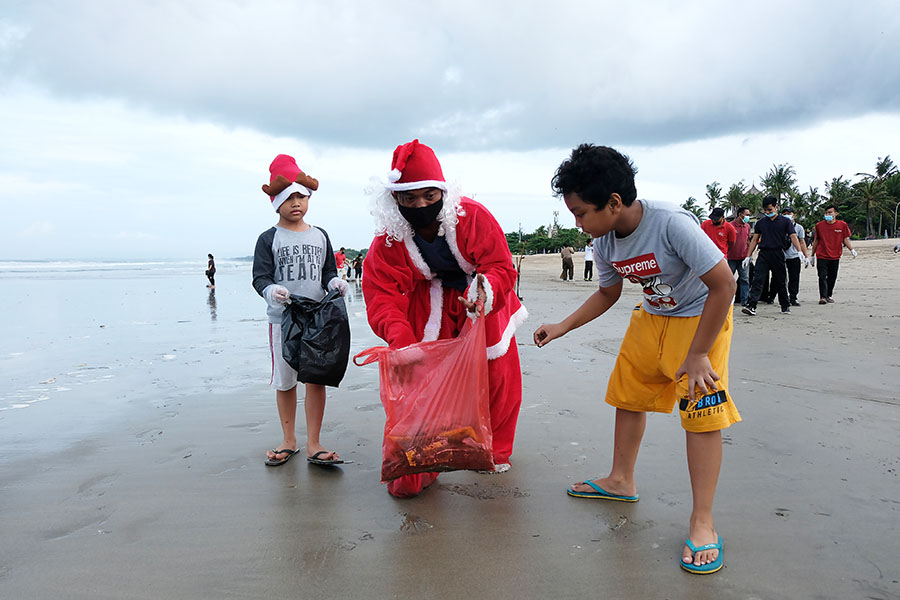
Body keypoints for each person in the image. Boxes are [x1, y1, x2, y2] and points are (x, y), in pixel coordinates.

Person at [533, 144, 739, 575]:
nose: (577, 223)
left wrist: (699, 353)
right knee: (628, 396)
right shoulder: (604, 240)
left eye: (581, 213)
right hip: (651, 318)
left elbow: (724, 284)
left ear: (613, 202)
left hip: (700, 321)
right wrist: (563, 326)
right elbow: (608, 292)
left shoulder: (671, 224)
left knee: (701, 413)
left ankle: (703, 521)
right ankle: (620, 479)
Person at [362, 139, 528, 498]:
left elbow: (500, 265)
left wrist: (484, 291)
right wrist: (401, 339)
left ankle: (495, 449)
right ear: (395, 199)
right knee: (421, 375)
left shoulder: (474, 216)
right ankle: (426, 453)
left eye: (429, 196)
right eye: (409, 199)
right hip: (430, 302)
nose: (420, 206)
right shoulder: (389, 240)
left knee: (497, 373)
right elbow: (382, 292)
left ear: (442, 191)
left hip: (482, 297)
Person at [252, 154, 350, 467]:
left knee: (316, 378)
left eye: (301, 197)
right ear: (276, 202)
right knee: (286, 380)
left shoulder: (320, 235)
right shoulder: (268, 238)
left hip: (318, 319)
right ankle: (289, 440)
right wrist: (271, 291)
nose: (296, 203)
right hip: (283, 320)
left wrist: (335, 282)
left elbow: (327, 271)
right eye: (288, 198)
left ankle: (314, 443)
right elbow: (260, 277)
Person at [741, 196, 806, 316]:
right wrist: (748, 256)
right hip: (764, 253)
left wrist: (799, 251)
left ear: (776, 207)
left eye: (770, 210)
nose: (767, 212)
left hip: (778, 253)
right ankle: (751, 305)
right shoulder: (761, 223)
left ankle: (785, 305)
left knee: (780, 280)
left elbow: (793, 236)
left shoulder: (785, 221)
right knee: (758, 279)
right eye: (765, 210)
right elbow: (754, 240)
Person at [810, 205, 856, 304]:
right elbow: (816, 240)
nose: (828, 214)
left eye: (830, 212)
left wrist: (851, 249)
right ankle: (822, 297)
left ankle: (828, 295)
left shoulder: (842, 225)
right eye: (826, 212)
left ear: (836, 213)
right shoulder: (819, 225)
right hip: (822, 254)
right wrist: (812, 255)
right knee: (822, 276)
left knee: (832, 276)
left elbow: (845, 239)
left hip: (835, 254)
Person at [780, 207, 810, 307]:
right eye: (784, 214)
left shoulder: (799, 228)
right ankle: (778, 297)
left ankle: (793, 297)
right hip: (781, 255)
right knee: (780, 278)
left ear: (793, 215)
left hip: (794, 255)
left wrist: (805, 256)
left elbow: (802, 242)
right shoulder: (778, 226)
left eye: (789, 213)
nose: (787, 215)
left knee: (794, 278)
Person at [725, 207, 752, 306]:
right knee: (728, 280)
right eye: (747, 215)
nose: (748, 217)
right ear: (740, 215)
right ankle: (726, 300)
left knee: (745, 279)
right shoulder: (730, 226)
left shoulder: (747, 226)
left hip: (743, 258)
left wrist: (749, 255)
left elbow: (748, 240)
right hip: (731, 258)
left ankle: (745, 301)